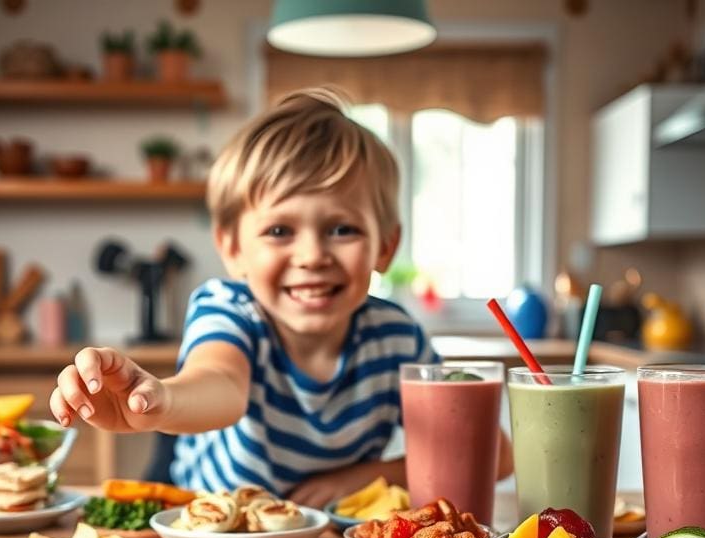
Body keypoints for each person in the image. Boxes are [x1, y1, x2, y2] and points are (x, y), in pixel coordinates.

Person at [50, 86, 513, 509]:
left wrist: (372, 476)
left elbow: (493, 454)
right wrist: (161, 402)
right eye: (278, 231)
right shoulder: (229, 307)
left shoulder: (396, 337)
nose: (312, 255)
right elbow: (222, 384)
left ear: (385, 247)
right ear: (233, 247)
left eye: (341, 229)